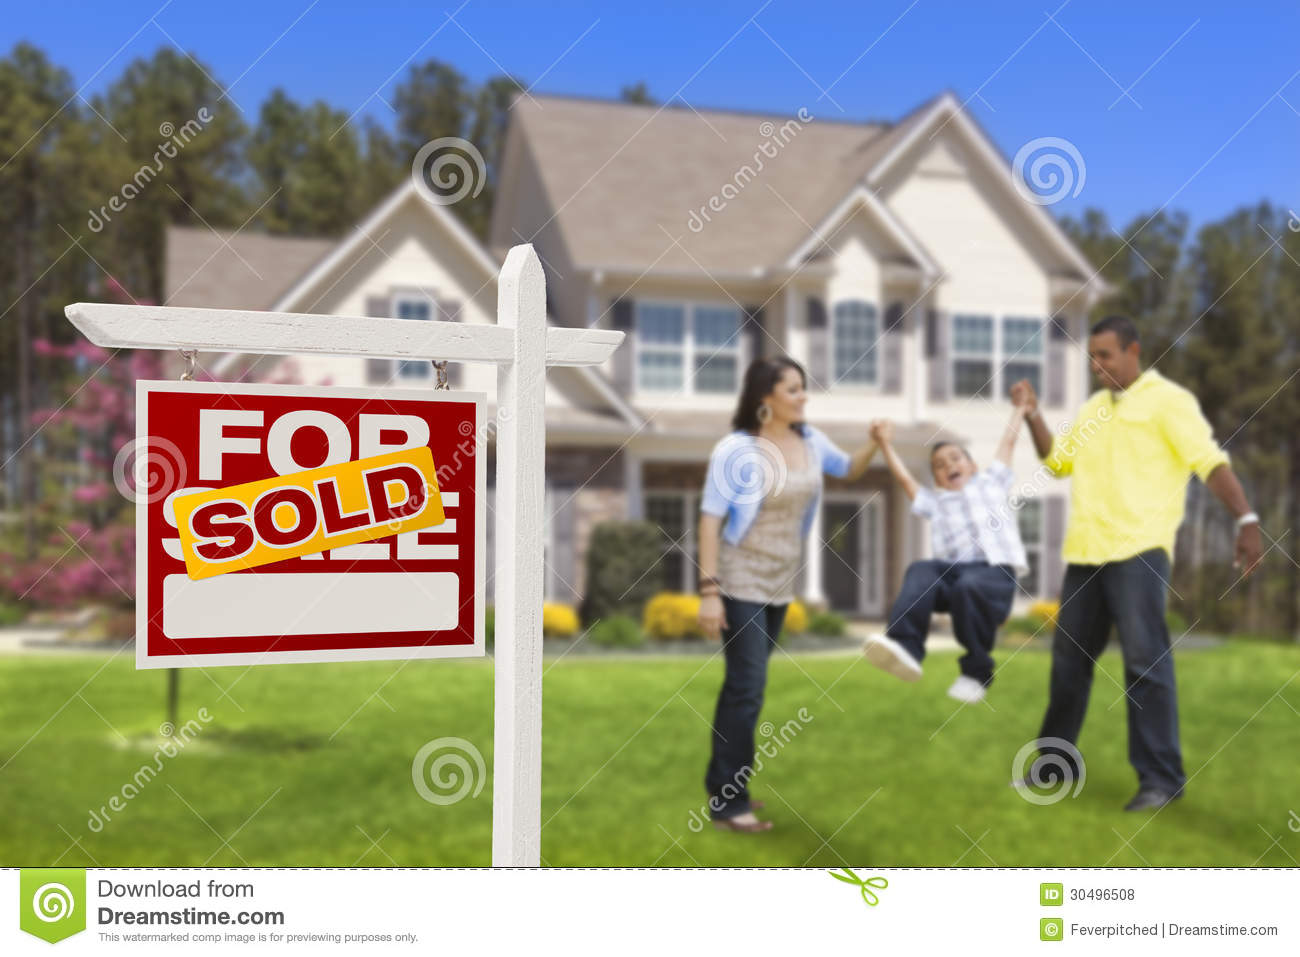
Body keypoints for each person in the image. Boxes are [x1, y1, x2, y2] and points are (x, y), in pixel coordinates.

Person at [1013, 315, 1263, 811]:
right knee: (1068, 667)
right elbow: (1057, 461)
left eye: (1106, 355)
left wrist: (1246, 518)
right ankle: (1052, 766)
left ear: (1133, 351)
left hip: (1139, 552)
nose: (1097, 365)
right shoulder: (1091, 410)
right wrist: (1032, 415)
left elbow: (1208, 462)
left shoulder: (1169, 402)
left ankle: (1161, 781)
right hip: (1085, 553)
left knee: (1144, 663)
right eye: (1092, 357)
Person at [696, 356, 879, 832]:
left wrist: (875, 446)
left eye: (803, 388)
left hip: (782, 578)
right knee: (748, 686)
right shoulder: (736, 449)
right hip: (740, 575)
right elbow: (710, 520)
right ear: (765, 398)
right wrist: (709, 591)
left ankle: (726, 783)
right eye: (793, 389)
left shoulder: (811, 441)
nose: (803, 397)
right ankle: (727, 802)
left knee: (743, 684)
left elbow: (850, 469)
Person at [863, 405, 1030, 703]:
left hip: (994, 575)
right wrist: (884, 444)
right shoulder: (936, 503)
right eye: (939, 465)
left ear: (973, 465)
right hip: (954, 578)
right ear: (937, 480)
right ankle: (906, 647)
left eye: (955, 458)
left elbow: (1008, 442)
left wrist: (1020, 409)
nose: (948, 465)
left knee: (969, 585)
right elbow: (905, 481)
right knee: (920, 569)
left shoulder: (991, 482)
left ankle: (977, 672)